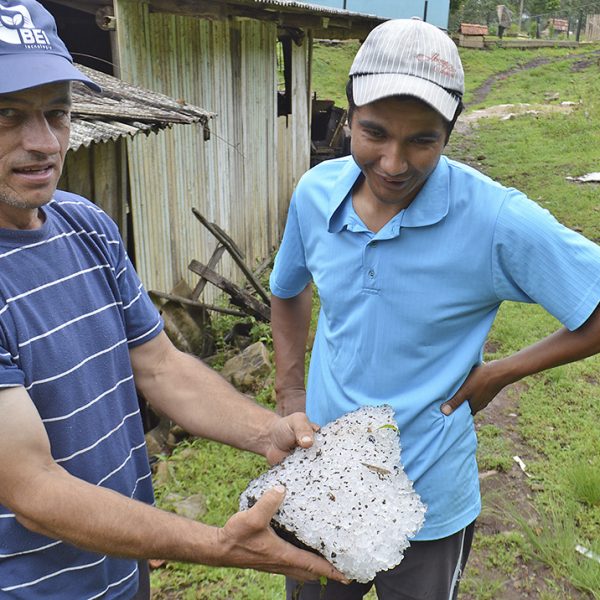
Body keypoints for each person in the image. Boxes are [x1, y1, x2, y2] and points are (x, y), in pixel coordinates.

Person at [0, 1, 348, 598]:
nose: (43, 142)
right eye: (7, 115)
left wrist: (267, 433)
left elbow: (159, 366)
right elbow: (33, 490)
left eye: (56, 114)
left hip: (119, 569)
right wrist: (218, 544)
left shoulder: (85, 225)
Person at [270, 17, 600, 600]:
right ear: (347, 116)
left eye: (422, 139)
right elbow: (289, 287)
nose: (394, 163)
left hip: (427, 499)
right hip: (324, 480)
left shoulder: (495, 219)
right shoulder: (316, 192)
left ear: (449, 131)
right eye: (374, 133)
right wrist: (291, 393)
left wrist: (502, 370)